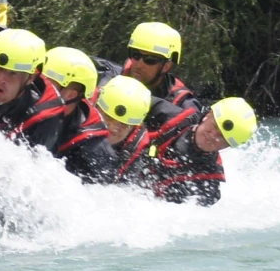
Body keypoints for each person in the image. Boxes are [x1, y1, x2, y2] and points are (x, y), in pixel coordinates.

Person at [148, 96, 257, 206]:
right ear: (208, 115)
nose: (214, 136)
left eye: (223, 137)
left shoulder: (208, 184)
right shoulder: (169, 116)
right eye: (215, 126)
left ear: (226, 146)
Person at [41, 46, 117, 181]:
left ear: (70, 95)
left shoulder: (93, 151)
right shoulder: (21, 99)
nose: (37, 88)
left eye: (47, 84)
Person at [120, 22, 202, 113]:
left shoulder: (182, 105)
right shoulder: (112, 75)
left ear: (166, 66)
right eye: (135, 54)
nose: (139, 65)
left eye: (150, 59)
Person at [93, 75, 157, 187]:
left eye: (123, 124)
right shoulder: (77, 118)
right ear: (96, 107)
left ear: (133, 127)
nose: (113, 127)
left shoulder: (134, 152)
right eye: (108, 117)